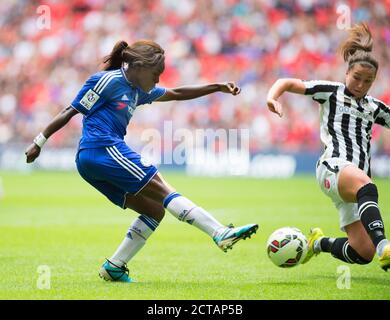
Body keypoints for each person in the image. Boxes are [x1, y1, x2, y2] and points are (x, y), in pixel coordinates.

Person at [25, 40, 258, 282]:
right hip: (102, 149)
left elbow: (176, 93)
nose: (157, 81)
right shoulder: (107, 81)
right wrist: (39, 142)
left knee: (154, 209)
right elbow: (69, 111)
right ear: (137, 66)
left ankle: (114, 266)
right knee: (161, 186)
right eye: (156, 75)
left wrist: (217, 87)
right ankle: (219, 232)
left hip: (92, 160)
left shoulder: (140, 90)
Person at [266, 23, 390, 271]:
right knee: (366, 185)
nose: (361, 85)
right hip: (333, 168)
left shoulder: (375, 108)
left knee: (361, 252)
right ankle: (384, 247)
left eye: (368, 81)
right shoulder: (331, 92)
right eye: (356, 78)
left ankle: (318, 243)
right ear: (346, 74)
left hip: (353, 186)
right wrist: (272, 97)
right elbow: (287, 82)